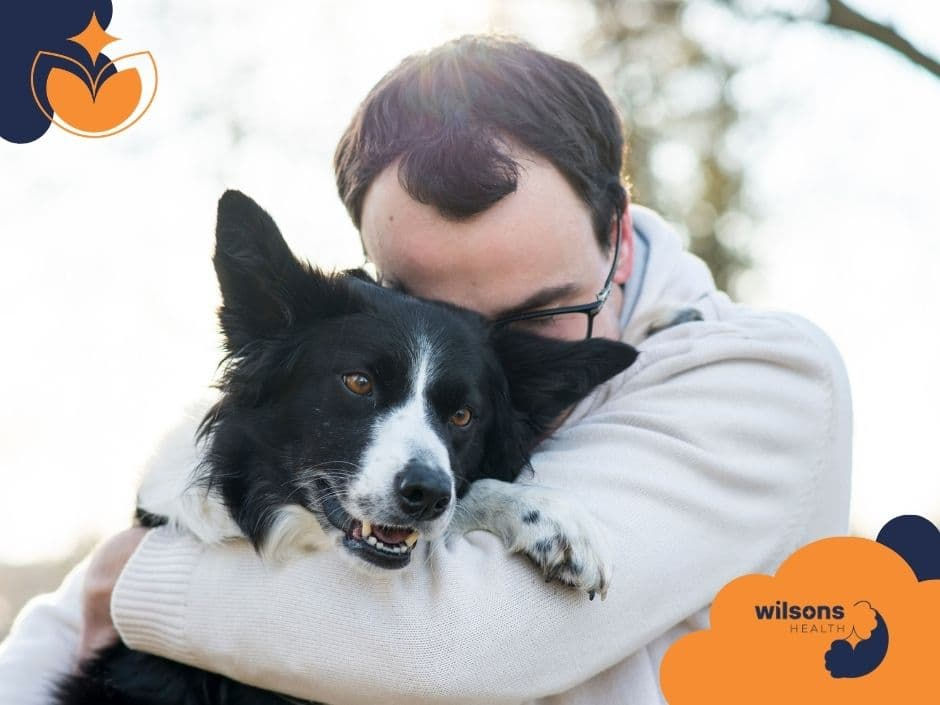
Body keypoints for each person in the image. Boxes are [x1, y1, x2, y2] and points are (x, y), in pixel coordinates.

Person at [0, 35, 851, 704]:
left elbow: (454, 644)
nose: (480, 371)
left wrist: (141, 579)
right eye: (423, 306)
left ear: (619, 234)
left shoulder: (765, 379)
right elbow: (71, 616)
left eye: (539, 314)